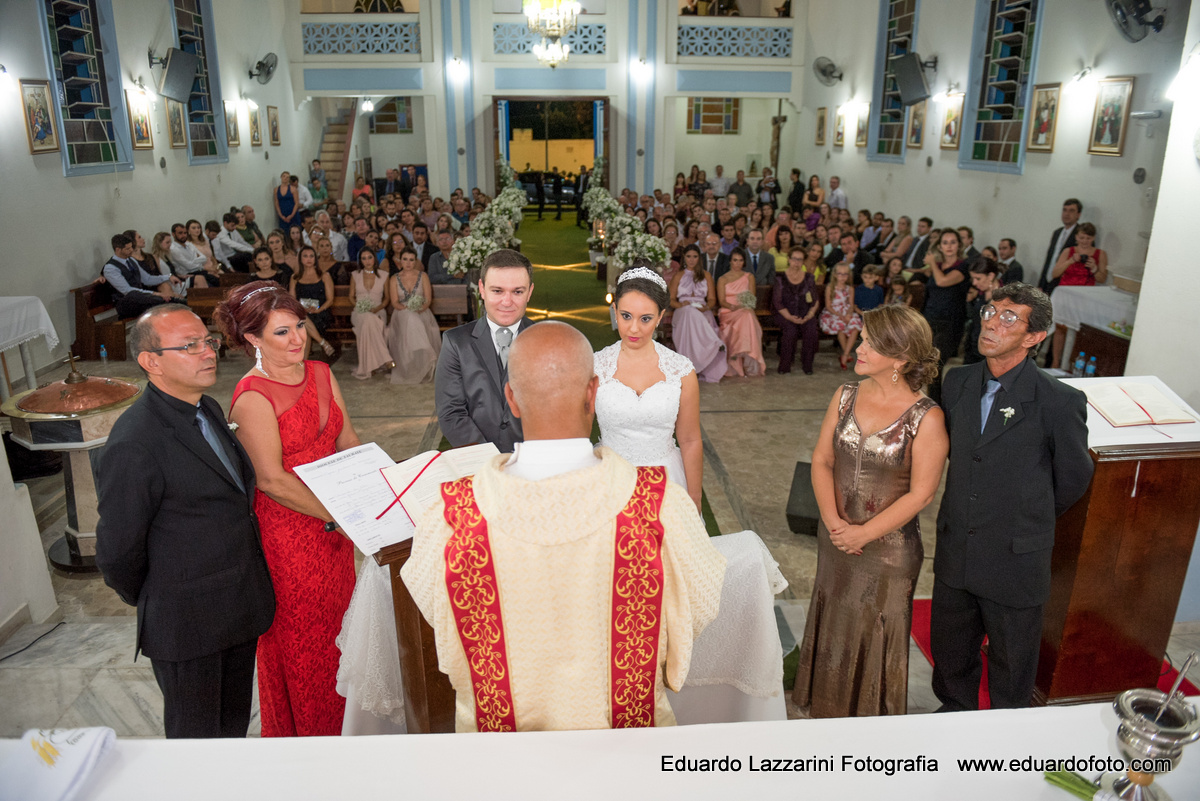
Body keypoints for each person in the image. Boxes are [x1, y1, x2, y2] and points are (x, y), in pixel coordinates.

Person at [401, 321, 726, 733]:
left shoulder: (449, 519)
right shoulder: (661, 508)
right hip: (627, 751)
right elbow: (696, 612)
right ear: (594, 393)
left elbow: (438, 617)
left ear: (512, 399)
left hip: (500, 760)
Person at [96, 305, 275, 739]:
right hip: (188, 621)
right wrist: (164, 596)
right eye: (189, 346)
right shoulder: (135, 441)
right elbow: (119, 552)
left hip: (236, 606)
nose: (207, 352)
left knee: (231, 729)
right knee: (195, 741)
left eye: (207, 342)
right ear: (150, 361)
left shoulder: (206, 407)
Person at [931, 283, 1093, 711]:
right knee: (950, 656)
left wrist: (1022, 516)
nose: (991, 323)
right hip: (957, 549)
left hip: (1015, 557)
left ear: (1035, 337)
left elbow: (1073, 479)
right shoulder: (958, 382)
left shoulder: (1059, 401)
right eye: (990, 311)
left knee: (1011, 665)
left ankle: (1005, 748)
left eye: (1009, 318)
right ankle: (952, 719)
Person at [216, 282, 361, 737]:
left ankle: (349, 729)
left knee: (342, 633)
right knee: (306, 644)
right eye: (282, 332)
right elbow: (272, 480)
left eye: (299, 325)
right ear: (253, 339)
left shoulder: (320, 372)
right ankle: (313, 740)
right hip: (291, 538)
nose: (298, 338)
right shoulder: (251, 397)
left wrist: (374, 493)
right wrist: (337, 515)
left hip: (334, 528)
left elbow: (348, 440)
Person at [792, 305, 947, 717]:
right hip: (836, 538)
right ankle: (824, 709)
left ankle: (869, 730)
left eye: (868, 343)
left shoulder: (926, 418)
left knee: (875, 632)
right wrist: (832, 522)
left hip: (888, 553)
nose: (858, 347)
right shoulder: (844, 395)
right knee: (834, 620)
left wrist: (863, 534)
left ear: (899, 359)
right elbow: (823, 460)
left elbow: (922, 495)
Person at [595, 266, 703, 509]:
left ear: (660, 316)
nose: (634, 328)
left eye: (645, 319)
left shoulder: (681, 370)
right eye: (625, 316)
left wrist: (694, 499)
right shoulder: (595, 366)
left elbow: (690, 439)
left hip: (667, 480)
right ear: (614, 311)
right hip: (611, 479)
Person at [435, 249, 535, 451]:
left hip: (531, 464)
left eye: (517, 292)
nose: (506, 302)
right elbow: (451, 412)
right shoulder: (456, 342)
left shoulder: (546, 341)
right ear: (481, 288)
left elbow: (557, 412)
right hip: (476, 462)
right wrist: (487, 459)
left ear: (530, 292)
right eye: (497, 291)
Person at [1048, 222, 1108, 367]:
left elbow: (1102, 278)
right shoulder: (1068, 251)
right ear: (1076, 237)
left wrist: (1094, 268)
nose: (1084, 241)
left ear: (1093, 238)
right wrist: (1070, 261)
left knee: (1079, 332)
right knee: (1060, 328)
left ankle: (1071, 364)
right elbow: (1055, 273)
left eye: (1088, 238)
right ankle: (1055, 363)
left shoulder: (1100, 254)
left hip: (1084, 297)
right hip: (1066, 294)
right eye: (1082, 238)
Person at [920, 229, 969, 404]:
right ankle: (931, 402)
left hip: (951, 322)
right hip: (931, 318)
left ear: (959, 245)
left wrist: (932, 263)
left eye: (953, 242)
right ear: (940, 246)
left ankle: (936, 405)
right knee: (928, 364)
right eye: (945, 242)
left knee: (937, 363)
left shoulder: (963, 265)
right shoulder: (938, 266)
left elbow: (942, 282)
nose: (949, 246)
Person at [667, 245, 726, 384]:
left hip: (701, 311)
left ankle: (704, 360)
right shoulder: (679, 275)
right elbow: (671, 299)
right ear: (684, 258)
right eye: (688, 256)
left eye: (694, 256)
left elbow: (712, 300)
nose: (691, 260)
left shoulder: (706, 275)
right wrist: (681, 305)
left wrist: (706, 307)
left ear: (699, 258)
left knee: (694, 313)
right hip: (683, 311)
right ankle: (714, 343)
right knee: (689, 312)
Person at [386, 247, 442, 384]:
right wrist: (407, 309)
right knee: (410, 318)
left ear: (415, 261)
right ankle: (424, 352)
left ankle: (420, 359)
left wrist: (418, 308)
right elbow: (394, 303)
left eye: (411, 260)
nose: (408, 263)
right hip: (401, 313)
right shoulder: (394, 279)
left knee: (413, 319)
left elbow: (428, 300)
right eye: (405, 259)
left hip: (421, 312)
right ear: (400, 261)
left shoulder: (423, 276)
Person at [101, 233, 184, 318]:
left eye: (131, 247)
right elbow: (127, 290)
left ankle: (184, 306)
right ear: (118, 250)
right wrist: (155, 294)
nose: (131, 250)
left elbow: (147, 278)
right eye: (127, 249)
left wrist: (168, 277)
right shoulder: (110, 268)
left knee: (167, 300)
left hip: (140, 298)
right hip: (126, 304)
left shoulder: (131, 260)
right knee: (162, 301)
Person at [716, 248, 766, 377]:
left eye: (740, 260)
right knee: (746, 316)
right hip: (728, 311)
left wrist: (743, 305)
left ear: (744, 262)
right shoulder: (723, 279)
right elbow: (722, 301)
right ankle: (736, 357)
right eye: (735, 260)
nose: (737, 263)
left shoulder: (749, 277)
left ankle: (745, 359)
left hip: (744, 309)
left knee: (747, 315)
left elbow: (751, 298)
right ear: (730, 261)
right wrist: (732, 306)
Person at [774, 246, 820, 375]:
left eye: (800, 260)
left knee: (811, 330)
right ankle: (785, 365)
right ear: (789, 259)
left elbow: (815, 300)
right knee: (790, 331)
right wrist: (789, 317)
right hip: (785, 313)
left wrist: (810, 314)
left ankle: (807, 365)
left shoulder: (809, 277)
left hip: (805, 313)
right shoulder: (780, 278)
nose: (796, 262)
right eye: (794, 259)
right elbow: (777, 302)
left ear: (803, 261)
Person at [349, 249, 394, 380]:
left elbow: (387, 299)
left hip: (378, 310)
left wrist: (377, 308)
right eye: (364, 258)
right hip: (359, 311)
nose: (367, 261)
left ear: (374, 259)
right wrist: (359, 306)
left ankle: (371, 366)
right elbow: (351, 296)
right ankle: (385, 358)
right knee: (368, 319)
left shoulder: (384, 275)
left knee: (371, 320)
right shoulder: (355, 275)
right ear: (360, 261)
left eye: (369, 257)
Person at [289, 245, 337, 358]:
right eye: (305, 256)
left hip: (321, 312)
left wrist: (319, 309)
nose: (309, 259)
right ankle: (322, 342)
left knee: (302, 326)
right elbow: (292, 300)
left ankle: (302, 364)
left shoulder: (324, 276)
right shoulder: (295, 277)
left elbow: (330, 299)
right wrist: (302, 309)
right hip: (301, 312)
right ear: (300, 259)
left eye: (311, 256)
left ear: (315, 258)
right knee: (302, 322)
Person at [820, 263, 862, 369]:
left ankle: (845, 354)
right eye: (840, 274)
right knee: (840, 326)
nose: (842, 277)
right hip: (833, 313)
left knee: (855, 326)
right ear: (834, 274)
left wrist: (848, 314)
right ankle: (846, 355)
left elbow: (851, 305)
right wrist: (840, 315)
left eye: (845, 274)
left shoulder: (850, 288)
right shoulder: (830, 287)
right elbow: (828, 306)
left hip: (846, 311)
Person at [963, 258, 1002, 365]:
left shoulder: (1003, 297)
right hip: (973, 344)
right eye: (973, 278)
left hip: (989, 351)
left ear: (990, 276)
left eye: (978, 278)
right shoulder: (980, 293)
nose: (974, 283)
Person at [1038, 198, 1082, 293]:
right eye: (1064, 210)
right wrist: (1041, 283)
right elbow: (1050, 259)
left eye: (1071, 211)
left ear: (1078, 215)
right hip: (1048, 281)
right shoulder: (1057, 232)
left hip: (1064, 283)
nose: (1067, 214)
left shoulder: (1081, 236)